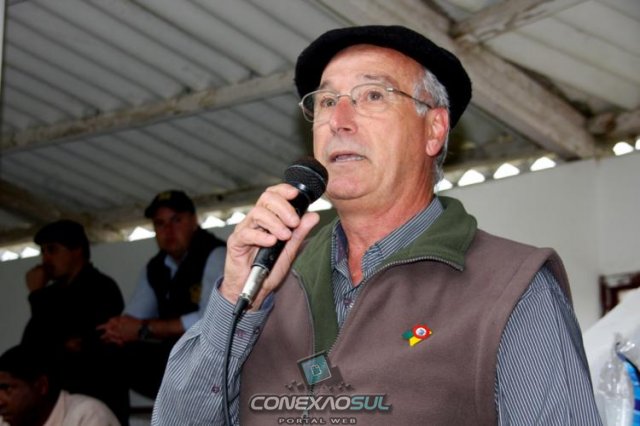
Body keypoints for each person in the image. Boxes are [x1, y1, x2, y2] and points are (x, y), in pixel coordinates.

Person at [152, 25, 603, 425]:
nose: (338, 121)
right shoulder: (268, 279)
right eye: (327, 101)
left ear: (434, 130)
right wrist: (236, 299)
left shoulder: (511, 286)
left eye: (372, 96)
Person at [99, 190, 226, 399]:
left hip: (213, 357)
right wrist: (119, 328)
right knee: (108, 348)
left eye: (176, 220)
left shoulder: (216, 254)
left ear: (193, 221)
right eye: (160, 223)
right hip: (176, 355)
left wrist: (146, 328)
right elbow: (134, 316)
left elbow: (213, 319)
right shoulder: (155, 267)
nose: (168, 230)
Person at [21, 220, 128, 425]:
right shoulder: (50, 295)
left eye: (52, 250)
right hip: (59, 408)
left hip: (97, 403)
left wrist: (37, 296)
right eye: (42, 251)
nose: (45, 258)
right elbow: (32, 348)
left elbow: (85, 348)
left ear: (76, 250)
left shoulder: (101, 288)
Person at [0, 344, 120, 426]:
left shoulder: (87, 415)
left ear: (42, 386)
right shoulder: (5, 421)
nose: (0, 402)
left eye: (6, 389)